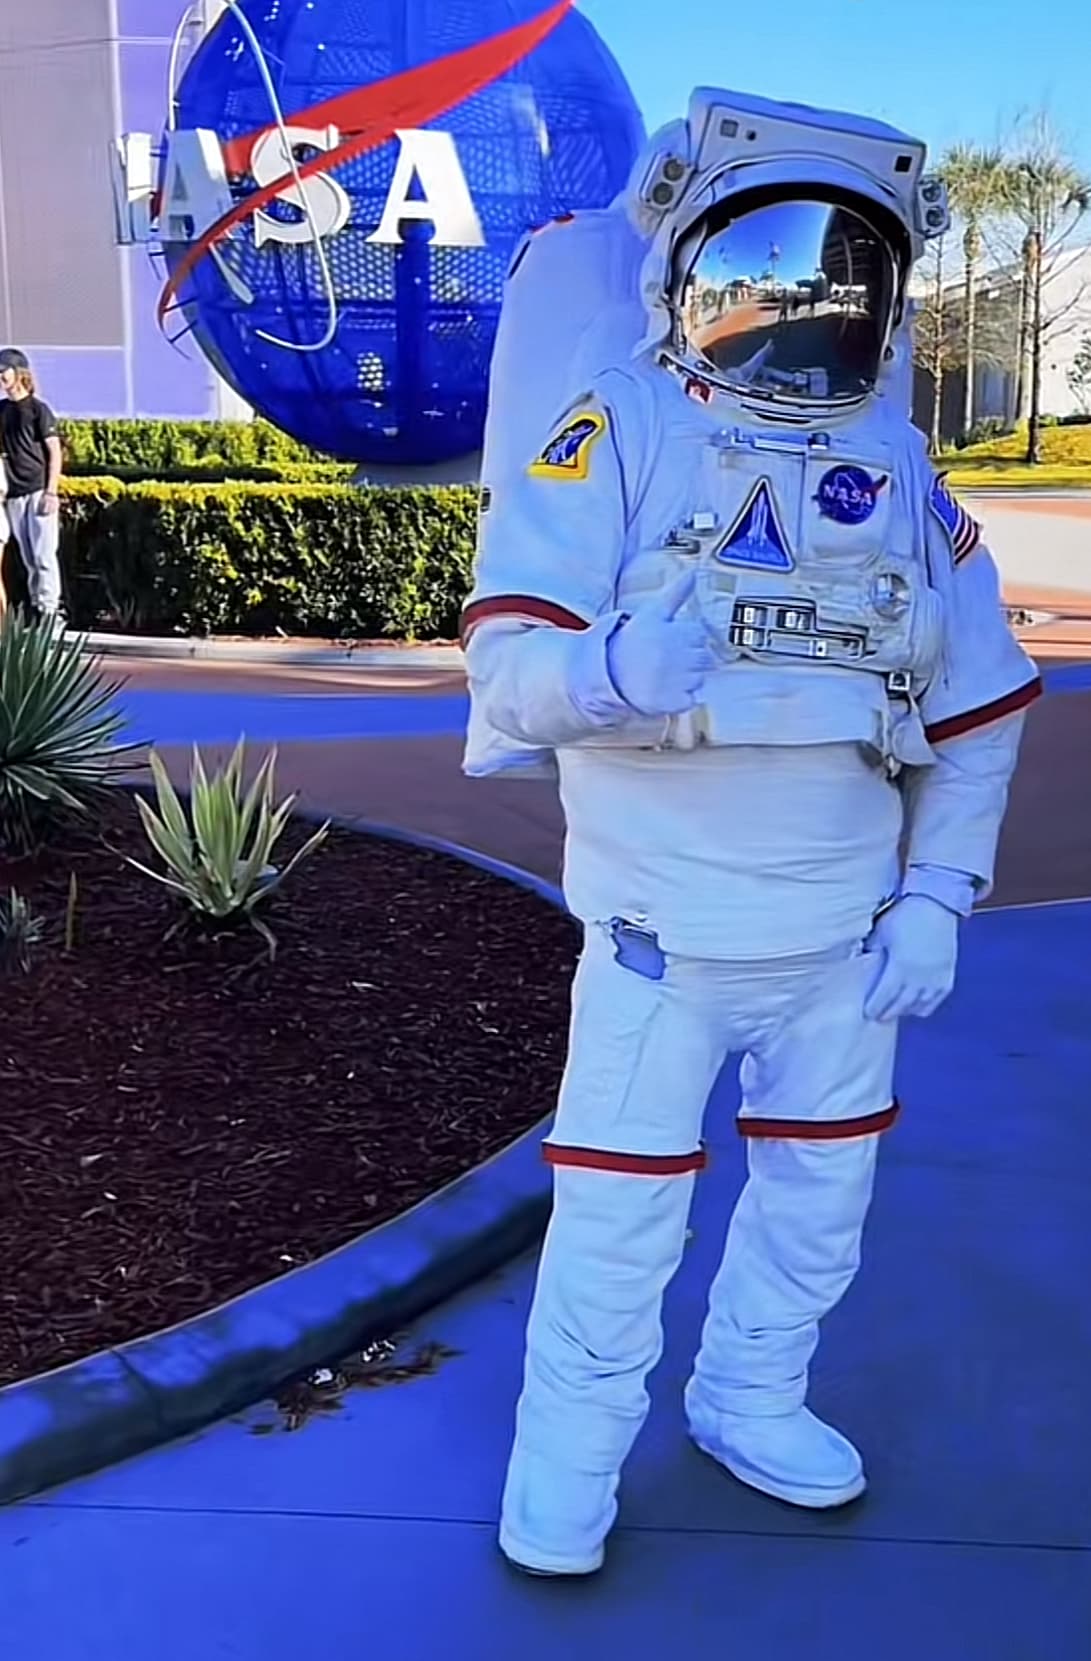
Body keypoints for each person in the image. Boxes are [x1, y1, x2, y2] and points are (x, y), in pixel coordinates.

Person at [460, 87, 1042, 1580]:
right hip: (664, 937)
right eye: (760, 263)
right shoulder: (620, 428)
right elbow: (507, 661)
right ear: (680, 272)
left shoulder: (897, 471)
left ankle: (746, 1395)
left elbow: (975, 704)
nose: (798, 306)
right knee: (615, 1218)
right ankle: (568, 1459)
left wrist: (937, 895)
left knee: (815, 1202)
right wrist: (606, 675)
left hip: (842, 945)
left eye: (836, 271)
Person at [0, 348, 64, 621]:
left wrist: (51, 491)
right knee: (28, 558)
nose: (1, 375)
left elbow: (54, 451)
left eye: (5, 370)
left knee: (43, 555)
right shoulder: (1, 410)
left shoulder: (38, 410)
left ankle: (51, 610)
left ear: (19, 372)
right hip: (14, 495)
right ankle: (38, 608)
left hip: (38, 491)